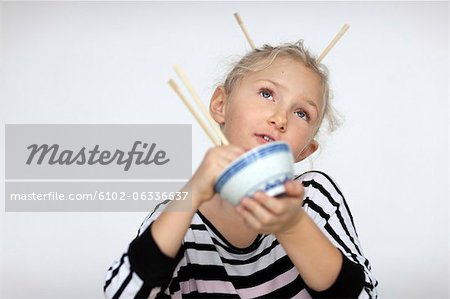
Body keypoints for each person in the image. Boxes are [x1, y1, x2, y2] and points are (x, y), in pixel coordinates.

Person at [104, 41, 378, 298]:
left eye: (301, 113)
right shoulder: (180, 218)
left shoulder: (313, 197)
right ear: (221, 105)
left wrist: (292, 225)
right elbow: (121, 293)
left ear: (306, 150)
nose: (280, 118)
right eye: (267, 93)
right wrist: (190, 194)